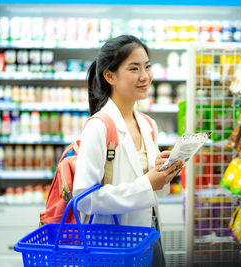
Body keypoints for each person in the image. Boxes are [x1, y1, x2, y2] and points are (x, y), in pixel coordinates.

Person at [72, 35, 181, 266]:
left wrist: (162, 172)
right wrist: (147, 183)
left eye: (147, 66)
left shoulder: (148, 124)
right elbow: (84, 199)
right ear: (110, 76)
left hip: (151, 238)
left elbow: (156, 192)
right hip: (113, 246)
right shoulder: (99, 127)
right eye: (134, 68)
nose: (144, 76)